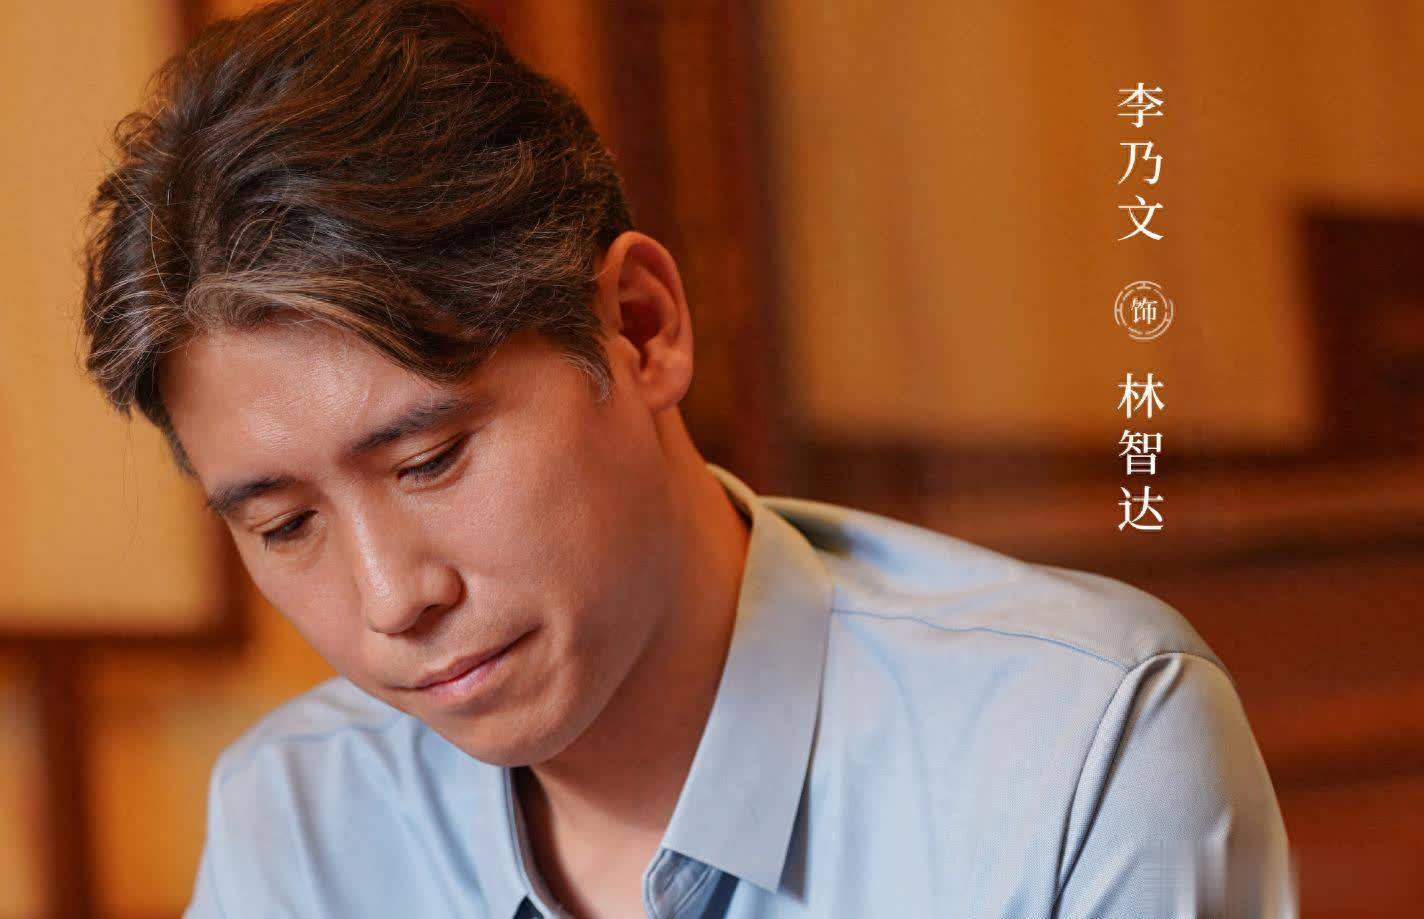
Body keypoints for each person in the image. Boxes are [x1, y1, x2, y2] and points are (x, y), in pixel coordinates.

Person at [78, 1, 1296, 916]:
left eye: (431, 458)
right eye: (284, 525)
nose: (393, 598)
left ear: (639, 327)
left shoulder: (1081, 743)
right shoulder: (297, 814)